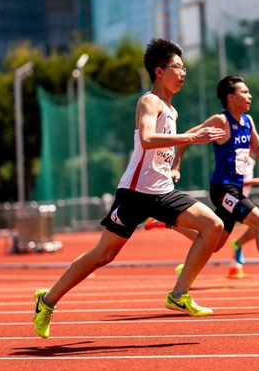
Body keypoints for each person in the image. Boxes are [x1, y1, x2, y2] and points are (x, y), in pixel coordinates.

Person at [32, 38, 226, 339]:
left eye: (185, 68)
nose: (183, 73)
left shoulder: (172, 112)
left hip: (162, 192)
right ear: (159, 71)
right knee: (103, 254)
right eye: (178, 67)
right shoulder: (149, 102)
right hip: (135, 194)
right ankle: (46, 301)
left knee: (214, 226)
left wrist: (174, 166)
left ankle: (179, 293)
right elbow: (147, 140)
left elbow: (161, 151)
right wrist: (191, 138)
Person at [170, 75, 259, 295]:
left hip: (236, 189)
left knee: (214, 243)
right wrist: (176, 165)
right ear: (231, 97)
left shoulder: (248, 121)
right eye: (244, 92)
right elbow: (188, 135)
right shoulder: (221, 120)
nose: (249, 95)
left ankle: (169, 221)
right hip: (223, 189)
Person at [229, 156, 259, 265]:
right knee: (214, 242)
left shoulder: (249, 160)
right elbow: (232, 182)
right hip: (231, 199)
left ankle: (238, 244)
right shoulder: (236, 157)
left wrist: (251, 162)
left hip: (240, 200)